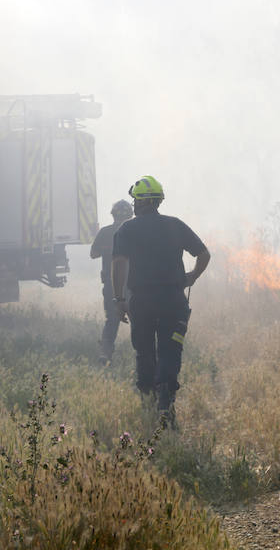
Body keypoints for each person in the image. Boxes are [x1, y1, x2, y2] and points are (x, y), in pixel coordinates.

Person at [111, 176, 210, 426]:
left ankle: (148, 400)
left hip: (141, 302)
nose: (133, 205)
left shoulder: (127, 229)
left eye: (135, 200)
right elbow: (204, 254)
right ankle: (166, 402)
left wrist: (119, 299)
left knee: (144, 350)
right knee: (170, 350)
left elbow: (119, 264)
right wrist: (192, 277)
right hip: (173, 300)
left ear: (142, 202)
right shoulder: (175, 225)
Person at [90, 199, 134, 360]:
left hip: (111, 285)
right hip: (135, 284)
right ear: (130, 215)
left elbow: (93, 254)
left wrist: (107, 249)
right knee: (138, 319)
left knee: (112, 319)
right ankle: (144, 353)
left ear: (113, 215)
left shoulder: (105, 232)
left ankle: (105, 352)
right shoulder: (136, 231)